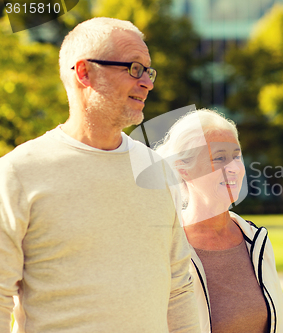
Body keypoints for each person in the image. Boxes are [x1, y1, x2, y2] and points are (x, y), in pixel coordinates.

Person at [0, 17, 200, 333]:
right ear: (84, 73)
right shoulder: (18, 172)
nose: (147, 82)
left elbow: (178, 288)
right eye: (134, 68)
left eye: (149, 72)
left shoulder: (157, 171)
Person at [156, 109, 283, 333]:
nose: (235, 169)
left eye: (237, 156)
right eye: (219, 158)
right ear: (184, 170)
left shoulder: (256, 240)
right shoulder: (167, 246)